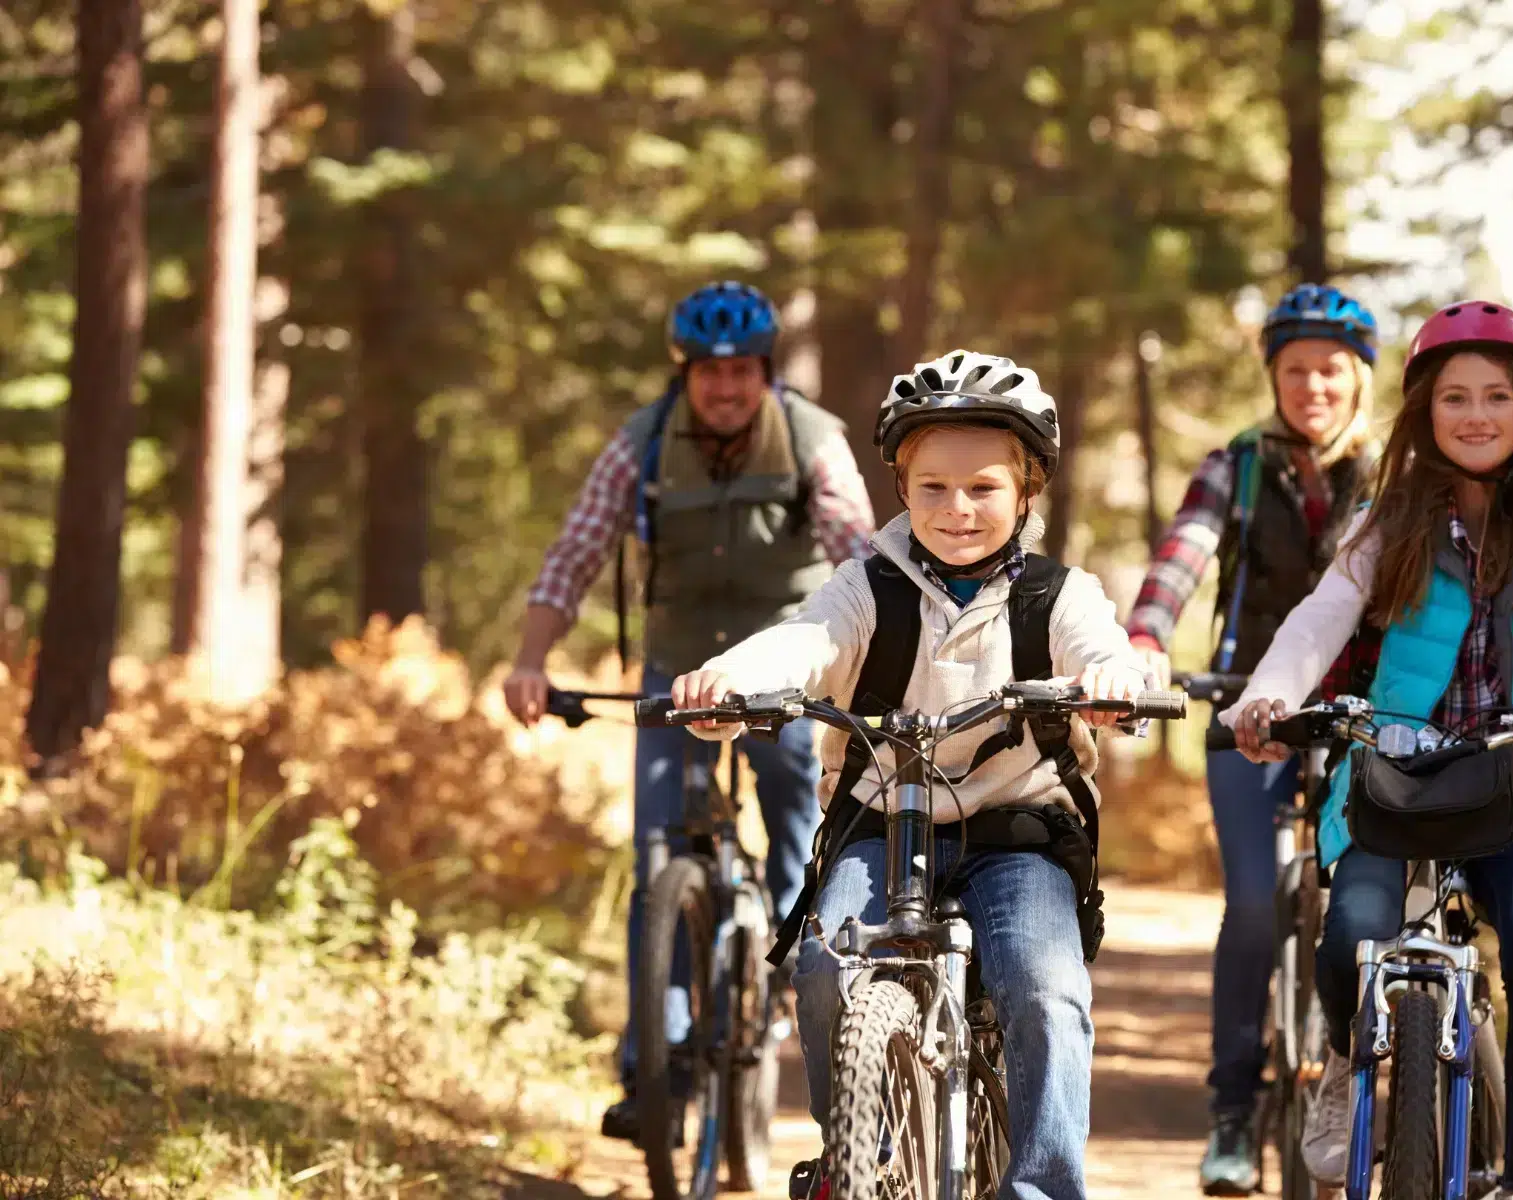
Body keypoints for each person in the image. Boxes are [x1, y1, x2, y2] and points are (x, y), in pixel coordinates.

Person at [673, 350, 1149, 1200]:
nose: (956, 509)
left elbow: (1106, 652)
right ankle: (858, 1158)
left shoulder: (1058, 596)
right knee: (823, 963)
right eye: (932, 487)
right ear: (901, 486)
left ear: (1028, 489)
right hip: (880, 823)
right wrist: (732, 678)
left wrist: (1117, 686)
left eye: (983, 488)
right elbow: (804, 639)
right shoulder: (866, 586)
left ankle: (1042, 1187)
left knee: (1044, 987)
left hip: (1020, 835)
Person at [1222, 301, 1513, 1198]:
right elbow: (1318, 621)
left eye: (1497, 396)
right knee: (1350, 939)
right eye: (1453, 396)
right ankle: (1349, 1065)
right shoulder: (1386, 522)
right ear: (1423, 410)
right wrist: (1268, 697)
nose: (1475, 414)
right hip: (1393, 781)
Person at [503, 280, 876, 1141]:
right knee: (659, 854)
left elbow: (857, 553)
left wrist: (873, 662)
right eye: (708, 373)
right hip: (675, 672)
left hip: (781, 668)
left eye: (742, 370)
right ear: (684, 375)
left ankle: (794, 995)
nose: (725, 388)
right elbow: (573, 557)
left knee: (800, 831)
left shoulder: (814, 440)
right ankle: (656, 1069)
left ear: (764, 371)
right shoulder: (638, 444)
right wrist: (529, 661)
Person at [1121, 282, 1381, 1194]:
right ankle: (1233, 1111)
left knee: (1368, 900)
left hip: (1363, 712)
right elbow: (1183, 553)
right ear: (1274, 376)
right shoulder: (1234, 463)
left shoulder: (1394, 471)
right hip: (1243, 705)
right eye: (1295, 370)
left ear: (1361, 379)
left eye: (1330, 371)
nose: (1312, 387)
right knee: (1254, 905)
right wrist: (1148, 637)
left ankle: (1386, 1078)